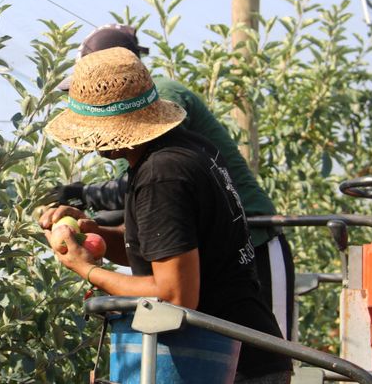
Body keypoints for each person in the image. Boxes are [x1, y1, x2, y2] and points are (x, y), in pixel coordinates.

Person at [41, 47, 293, 383]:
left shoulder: (163, 174)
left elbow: (174, 294)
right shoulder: (184, 149)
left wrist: (86, 269)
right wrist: (92, 232)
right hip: (240, 352)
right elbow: (164, 252)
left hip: (227, 365)